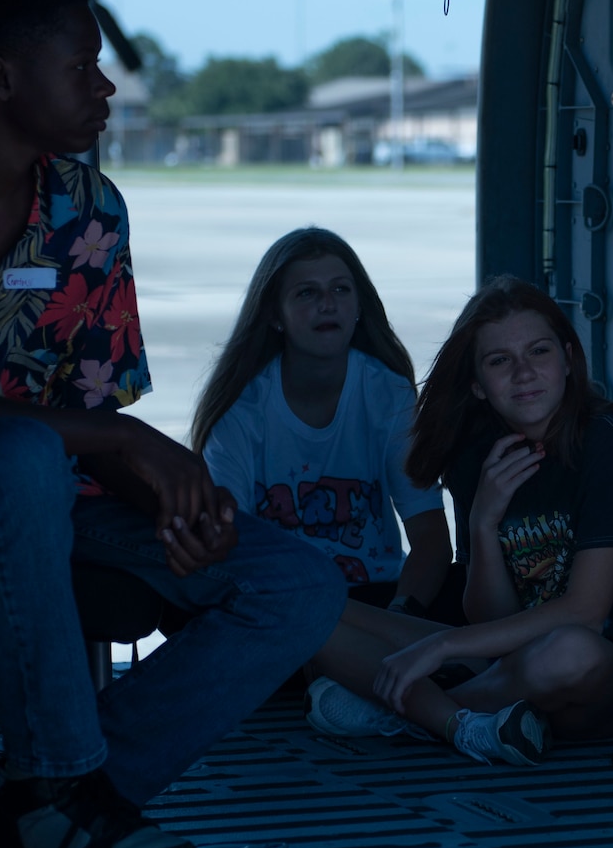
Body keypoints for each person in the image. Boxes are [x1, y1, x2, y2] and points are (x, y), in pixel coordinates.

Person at [0, 0, 344, 848]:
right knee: (18, 454)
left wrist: (163, 497)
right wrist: (124, 445)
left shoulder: (89, 209)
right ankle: (57, 786)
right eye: (81, 64)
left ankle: (47, 795)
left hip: (58, 493)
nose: (106, 85)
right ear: (2, 78)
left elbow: (93, 408)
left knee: (294, 582)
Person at [303, 276, 613, 766]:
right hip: (506, 661)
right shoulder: (480, 456)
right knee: (313, 612)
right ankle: (464, 721)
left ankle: (411, 715)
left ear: (568, 359)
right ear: (478, 385)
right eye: (500, 360)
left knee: (569, 651)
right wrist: (483, 520)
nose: (523, 373)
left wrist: (440, 647)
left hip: (611, 677)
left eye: (539, 352)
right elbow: (491, 618)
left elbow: (585, 613)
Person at [193, 228, 453, 614]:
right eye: (306, 293)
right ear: (274, 316)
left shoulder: (386, 393)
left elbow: (431, 538)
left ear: (359, 306)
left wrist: (400, 617)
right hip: (279, 604)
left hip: (376, 598)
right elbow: (227, 543)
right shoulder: (242, 409)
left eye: (340, 290)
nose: (327, 304)